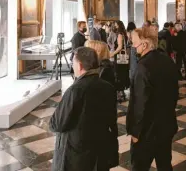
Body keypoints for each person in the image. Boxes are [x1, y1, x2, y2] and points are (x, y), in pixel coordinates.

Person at [50, 47, 118, 171]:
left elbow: (58, 123)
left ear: (80, 66)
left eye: (73, 63)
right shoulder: (108, 87)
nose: (72, 66)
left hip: (76, 156)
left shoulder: (75, 90)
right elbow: (111, 119)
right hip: (99, 151)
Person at [127, 28, 179, 171]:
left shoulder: (142, 67)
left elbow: (139, 103)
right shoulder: (167, 60)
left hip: (147, 131)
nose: (132, 46)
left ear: (144, 45)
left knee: (139, 166)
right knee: (164, 164)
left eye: (134, 43)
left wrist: (135, 132)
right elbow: (175, 93)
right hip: (166, 124)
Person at [110, 21, 130, 102]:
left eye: (115, 25)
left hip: (119, 57)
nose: (114, 26)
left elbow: (120, 47)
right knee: (122, 74)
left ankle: (120, 94)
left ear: (118, 26)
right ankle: (122, 93)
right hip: (124, 59)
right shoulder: (124, 33)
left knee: (118, 74)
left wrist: (112, 54)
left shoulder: (119, 35)